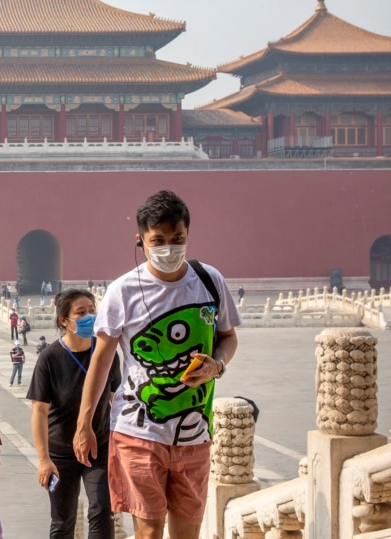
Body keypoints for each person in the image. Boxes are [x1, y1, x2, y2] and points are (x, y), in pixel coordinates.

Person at [73, 190, 240, 539]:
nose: (169, 248)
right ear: (141, 240)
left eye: (177, 239)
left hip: (195, 432)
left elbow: (228, 338)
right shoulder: (123, 291)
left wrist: (217, 366)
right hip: (138, 432)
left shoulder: (210, 281)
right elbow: (101, 362)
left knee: (186, 535)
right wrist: (84, 423)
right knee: (148, 533)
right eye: (158, 240)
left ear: (188, 235)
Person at [28, 289, 119, 539]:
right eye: (81, 312)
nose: (89, 316)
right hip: (60, 452)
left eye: (92, 310)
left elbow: (117, 399)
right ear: (64, 321)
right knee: (63, 520)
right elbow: (38, 411)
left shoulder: (106, 352)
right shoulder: (49, 358)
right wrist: (44, 459)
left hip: (98, 445)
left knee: (102, 508)